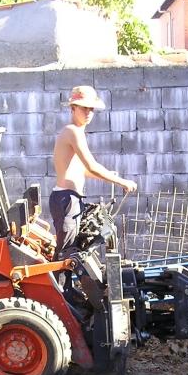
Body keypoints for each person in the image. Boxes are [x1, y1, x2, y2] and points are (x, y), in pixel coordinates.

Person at [51, 85, 137, 267]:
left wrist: (108, 176)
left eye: (91, 109)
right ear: (73, 108)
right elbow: (92, 165)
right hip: (66, 199)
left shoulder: (76, 132)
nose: (89, 113)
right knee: (64, 255)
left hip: (71, 198)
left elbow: (83, 170)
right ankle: (55, 293)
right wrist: (121, 181)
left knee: (73, 251)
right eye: (84, 108)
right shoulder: (72, 131)